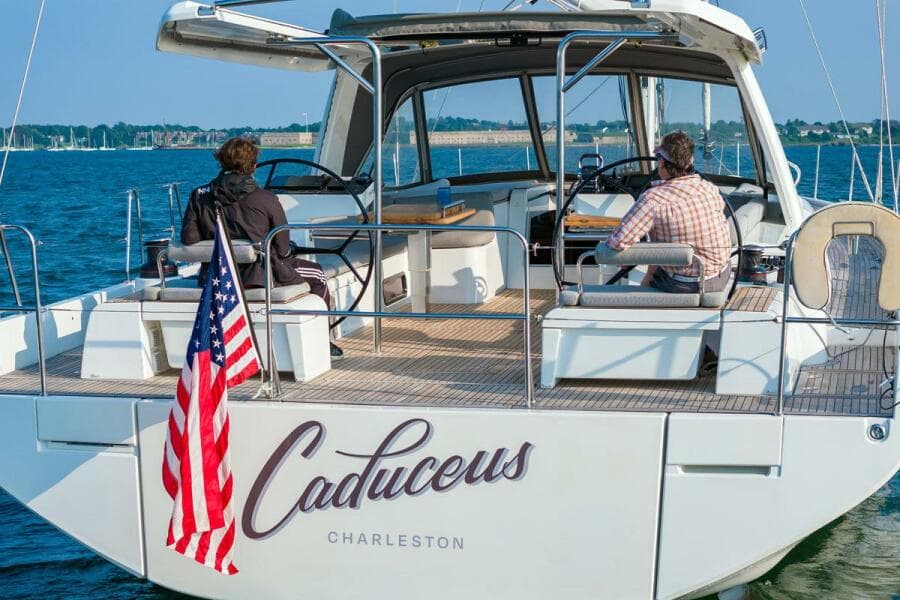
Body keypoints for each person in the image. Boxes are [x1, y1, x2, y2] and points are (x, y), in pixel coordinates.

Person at [181, 137, 343, 359]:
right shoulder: (266, 199)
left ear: (221, 162)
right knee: (318, 275)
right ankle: (323, 341)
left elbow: (189, 239)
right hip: (260, 275)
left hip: (216, 275)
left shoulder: (199, 195)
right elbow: (283, 248)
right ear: (253, 166)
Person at [606, 131, 732, 294]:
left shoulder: (653, 199)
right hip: (720, 277)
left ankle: (640, 311)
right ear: (689, 163)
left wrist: (629, 256)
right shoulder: (709, 188)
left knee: (654, 270)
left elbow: (617, 242)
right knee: (656, 263)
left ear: (661, 163)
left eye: (658, 157)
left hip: (686, 286)